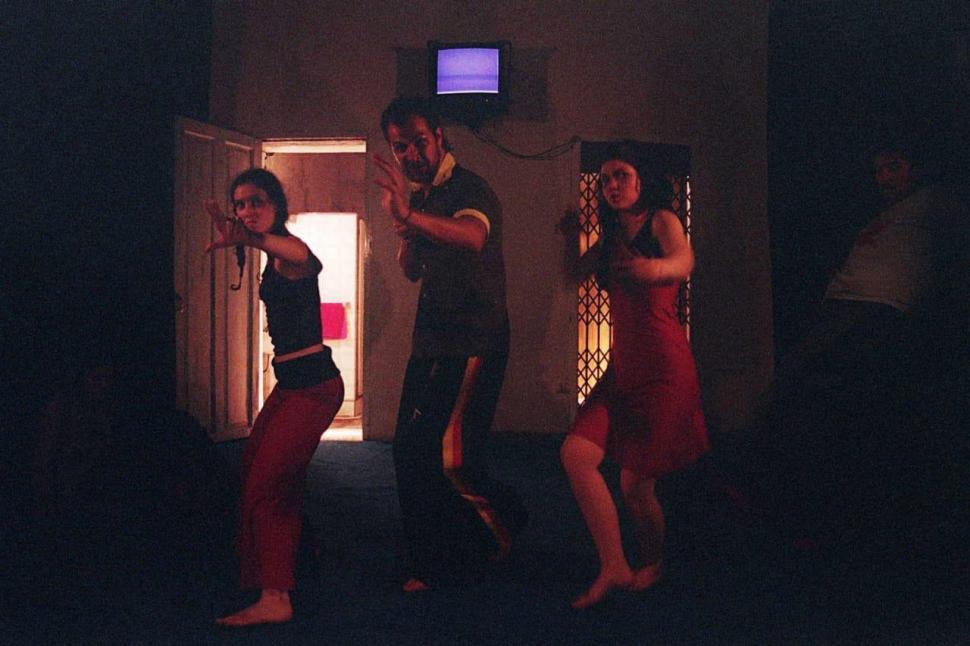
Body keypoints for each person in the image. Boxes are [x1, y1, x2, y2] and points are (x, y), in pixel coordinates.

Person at [748, 137, 967, 545]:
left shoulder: (934, 201)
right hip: (841, 307)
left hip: (875, 311)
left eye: (893, 166)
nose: (884, 177)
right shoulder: (885, 215)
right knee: (796, 391)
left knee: (815, 396)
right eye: (878, 170)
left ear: (917, 167)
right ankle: (786, 499)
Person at [373, 96, 525, 591]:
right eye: (401, 147)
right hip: (432, 340)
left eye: (419, 142)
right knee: (407, 450)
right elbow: (411, 270)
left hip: (473, 339)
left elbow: (472, 236)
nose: (412, 155)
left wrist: (410, 217)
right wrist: (403, 228)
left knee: (451, 458)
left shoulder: (468, 187)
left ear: (439, 136)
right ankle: (428, 557)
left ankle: (504, 526)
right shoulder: (421, 197)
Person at [560, 144, 708, 609]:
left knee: (635, 485)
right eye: (605, 179)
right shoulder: (610, 237)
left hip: (664, 368)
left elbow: (684, 261)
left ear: (641, 179)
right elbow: (573, 275)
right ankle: (614, 566)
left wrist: (653, 268)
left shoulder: (661, 220)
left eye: (621, 175)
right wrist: (571, 237)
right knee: (577, 454)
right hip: (624, 367)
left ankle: (654, 560)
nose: (612, 185)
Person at [205, 168, 344, 626]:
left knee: (269, 486)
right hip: (292, 385)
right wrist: (250, 242)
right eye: (240, 204)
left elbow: (303, 255)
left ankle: (275, 596)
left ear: (276, 205)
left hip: (314, 388)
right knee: (256, 469)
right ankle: (294, 563)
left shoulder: (288, 251)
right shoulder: (271, 254)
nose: (247, 211)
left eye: (256, 202)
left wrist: (249, 239)